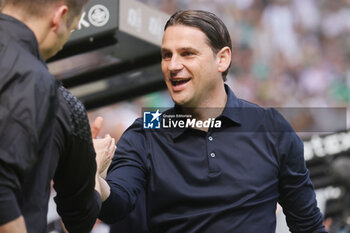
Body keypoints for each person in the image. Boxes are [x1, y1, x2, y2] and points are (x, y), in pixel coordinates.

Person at [97, 10, 327, 233]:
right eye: (167, 55)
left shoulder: (270, 127)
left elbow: (308, 225)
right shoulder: (144, 132)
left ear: (223, 59)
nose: (173, 66)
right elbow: (115, 205)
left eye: (187, 53)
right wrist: (93, 178)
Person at [0, 0, 115, 232]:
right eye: (72, 28)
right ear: (59, 16)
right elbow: (79, 218)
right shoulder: (38, 83)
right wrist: (92, 167)